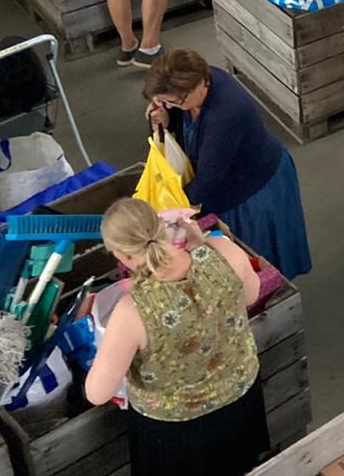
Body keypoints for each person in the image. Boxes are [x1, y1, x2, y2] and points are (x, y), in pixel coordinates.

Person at [83, 198, 270, 476]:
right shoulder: (224, 251)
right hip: (240, 399)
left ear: (122, 255)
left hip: (177, 432)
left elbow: (98, 393)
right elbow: (251, 296)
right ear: (163, 225)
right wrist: (200, 244)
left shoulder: (132, 311)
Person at [144, 48, 312, 279]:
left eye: (173, 102)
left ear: (198, 86)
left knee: (256, 256)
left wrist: (173, 213)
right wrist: (164, 120)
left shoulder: (226, 114)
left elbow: (208, 179)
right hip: (225, 178)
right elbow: (184, 126)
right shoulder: (197, 83)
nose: (169, 106)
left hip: (253, 187)